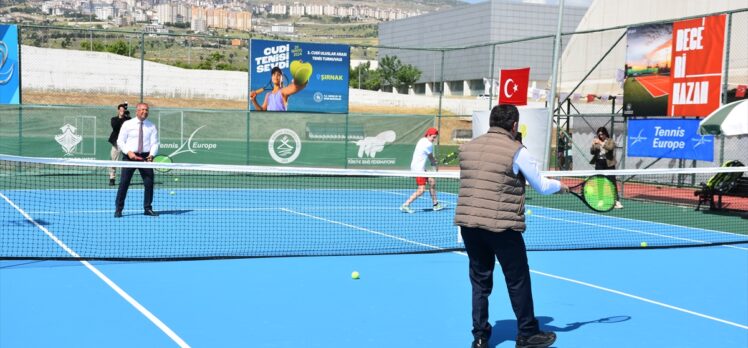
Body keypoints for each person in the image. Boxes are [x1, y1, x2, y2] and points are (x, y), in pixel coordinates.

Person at [454, 105, 569, 348]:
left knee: (479, 281)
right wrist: (561, 185)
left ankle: (480, 337)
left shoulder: (467, 148)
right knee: (517, 279)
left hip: (469, 224)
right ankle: (527, 333)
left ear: (491, 123)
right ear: (514, 125)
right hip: (502, 226)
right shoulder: (517, 151)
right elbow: (540, 185)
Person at [114, 102, 159, 218]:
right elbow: (120, 141)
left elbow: (155, 143)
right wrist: (129, 152)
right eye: (143, 109)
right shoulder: (127, 124)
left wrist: (152, 155)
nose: (145, 112)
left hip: (145, 158)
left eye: (147, 110)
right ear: (137, 111)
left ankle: (147, 208)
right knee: (124, 183)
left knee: (149, 183)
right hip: (129, 157)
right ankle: (118, 209)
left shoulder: (152, 126)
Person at [400, 127, 444, 213]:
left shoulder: (422, 140)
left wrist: (433, 162)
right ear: (428, 135)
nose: (434, 139)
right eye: (433, 137)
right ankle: (405, 205)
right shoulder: (428, 144)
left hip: (420, 168)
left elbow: (429, 157)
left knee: (432, 181)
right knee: (421, 190)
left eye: (435, 137)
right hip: (418, 169)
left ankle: (436, 204)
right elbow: (431, 157)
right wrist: (434, 163)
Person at [589, 126, 623, 209]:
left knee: (612, 182)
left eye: (602, 134)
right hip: (599, 163)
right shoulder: (597, 141)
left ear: (605, 134)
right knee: (600, 182)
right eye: (599, 134)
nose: (601, 136)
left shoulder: (610, 141)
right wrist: (593, 145)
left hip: (609, 164)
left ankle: (616, 201)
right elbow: (592, 152)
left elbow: (610, 148)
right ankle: (601, 200)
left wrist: (601, 143)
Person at [107, 103, 131, 186]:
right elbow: (115, 127)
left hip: (126, 144)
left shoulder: (128, 120)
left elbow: (130, 128)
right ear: (118, 111)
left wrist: (127, 117)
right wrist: (121, 117)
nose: (122, 111)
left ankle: (125, 179)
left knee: (127, 161)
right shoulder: (114, 119)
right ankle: (112, 178)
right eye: (120, 110)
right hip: (116, 143)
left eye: (123, 110)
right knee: (113, 161)